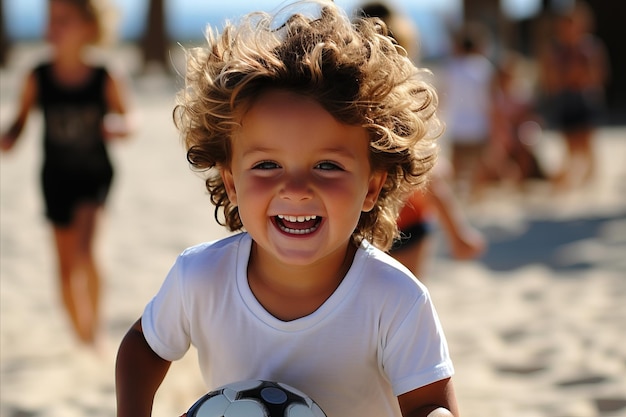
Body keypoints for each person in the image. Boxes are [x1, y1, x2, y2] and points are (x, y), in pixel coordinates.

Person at [115, 2, 458, 417]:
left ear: (371, 186)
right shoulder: (200, 278)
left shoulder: (395, 299)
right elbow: (142, 349)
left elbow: (431, 405)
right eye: (267, 165)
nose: (295, 189)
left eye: (327, 166)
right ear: (231, 182)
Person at [0, 0, 132, 346]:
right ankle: (82, 340)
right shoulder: (38, 75)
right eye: (50, 20)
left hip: (94, 176)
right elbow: (18, 124)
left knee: (86, 254)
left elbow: (130, 119)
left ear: (89, 27)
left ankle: (96, 331)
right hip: (55, 180)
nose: (52, 28)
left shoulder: (104, 75)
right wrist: (8, 140)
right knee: (64, 268)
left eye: (62, 20)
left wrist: (120, 126)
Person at [359, 2, 486, 276]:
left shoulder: (346, 100)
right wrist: (456, 232)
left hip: (361, 222)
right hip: (407, 219)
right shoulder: (407, 95)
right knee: (404, 304)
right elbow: (430, 174)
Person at [538, 0, 609, 190]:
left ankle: (589, 180)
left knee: (587, 141)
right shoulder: (554, 50)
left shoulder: (590, 47)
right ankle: (572, 180)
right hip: (565, 98)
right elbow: (549, 78)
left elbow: (599, 75)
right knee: (570, 143)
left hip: (584, 97)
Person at [441, 21, 496, 200]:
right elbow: (489, 98)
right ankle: (476, 194)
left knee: (457, 163)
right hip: (478, 123)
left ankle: (457, 195)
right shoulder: (483, 67)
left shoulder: (453, 67)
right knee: (478, 163)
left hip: (457, 123)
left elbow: (445, 95)